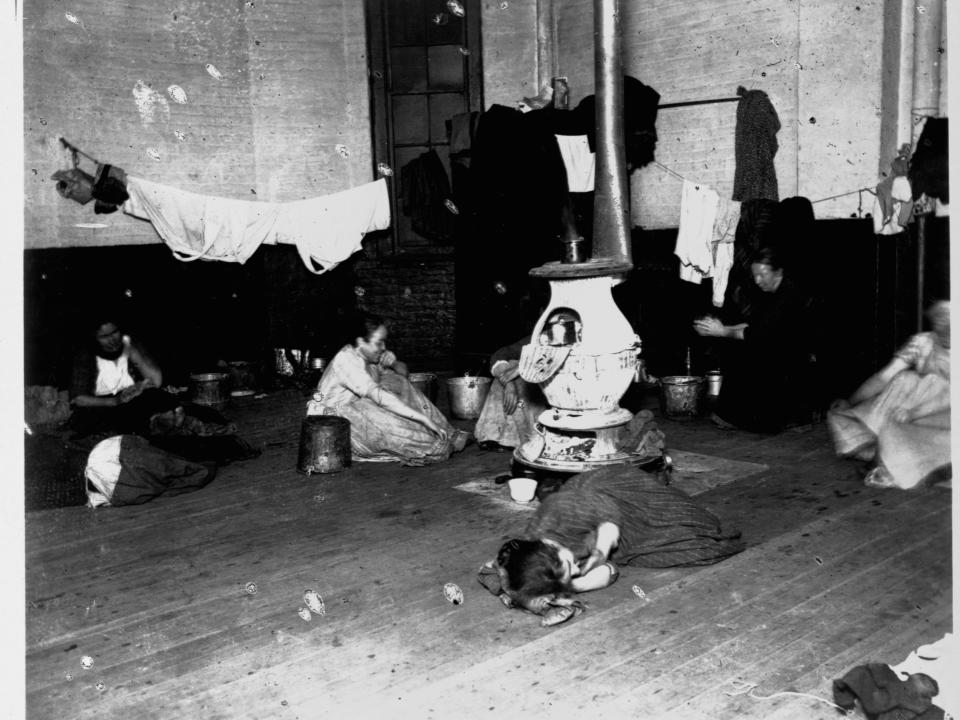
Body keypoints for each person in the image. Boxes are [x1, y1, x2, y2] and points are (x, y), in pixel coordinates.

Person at [482, 465, 745, 619]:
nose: (574, 569)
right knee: (694, 549)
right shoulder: (525, 564)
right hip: (603, 524)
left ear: (550, 550)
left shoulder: (557, 513)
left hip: (615, 495)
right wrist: (566, 589)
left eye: (568, 567)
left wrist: (603, 545)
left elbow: (604, 510)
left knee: (707, 536)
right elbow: (610, 571)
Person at [306, 311, 469, 465]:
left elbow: (404, 376)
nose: (383, 347)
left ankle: (448, 433)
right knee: (381, 410)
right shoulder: (346, 360)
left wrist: (394, 363)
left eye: (384, 341)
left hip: (361, 409)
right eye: (379, 342)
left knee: (397, 381)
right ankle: (431, 443)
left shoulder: (370, 355)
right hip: (333, 425)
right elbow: (381, 398)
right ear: (361, 341)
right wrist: (423, 419)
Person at [827, 300, 950, 489]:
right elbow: (884, 378)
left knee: (934, 385)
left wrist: (915, 412)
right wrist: (851, 402)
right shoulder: (923, 341)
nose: (945, 326)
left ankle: (902, 459)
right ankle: (887, 452)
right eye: (940, 321)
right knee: (906, 380)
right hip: (911, 414)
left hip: (943, 419)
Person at [692, 246, 813, 432]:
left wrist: (722, 331)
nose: (757, 281)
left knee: (745, 354)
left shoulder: (786, 298)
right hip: (780, 353)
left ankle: (745, 417)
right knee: (738, 346)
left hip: (790, 362)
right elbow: (752, 324)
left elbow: (756, 335)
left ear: (778, 271)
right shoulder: (774, 292)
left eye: (762, 275)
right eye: (755, 275)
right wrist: (714, 329)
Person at [69, 317, 179, 437]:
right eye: (104, 337)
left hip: (128, 402)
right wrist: (115, 401)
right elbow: (78, 399)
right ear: (94, 339)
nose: (112, 340)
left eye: (114, 332)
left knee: (162, 399)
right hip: (101, 405)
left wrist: (134, 353)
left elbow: (156, 381)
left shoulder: (128, 346)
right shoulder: (85, 356)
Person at [474, 336, 547, 450]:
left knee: (522, 384)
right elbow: (501, 354)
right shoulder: (542, 336)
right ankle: (494, 435)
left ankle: (524, 437)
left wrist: (522, 368)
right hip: (521, 401)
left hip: (554, 397)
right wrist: (508, 383)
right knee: (507, 370)